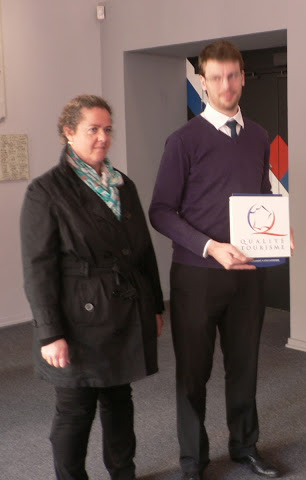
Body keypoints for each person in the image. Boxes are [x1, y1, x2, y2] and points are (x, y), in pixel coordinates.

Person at [149, 40, 282, 480]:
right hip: (197, 276)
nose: (226, 85)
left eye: (233, 76)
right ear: (203, 83)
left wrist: (278, 230)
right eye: (216, 78)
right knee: (193, 374)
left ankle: (245, 447)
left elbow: (260, 198)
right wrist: (210, 246)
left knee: (244, 367)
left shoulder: (260, 136)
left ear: (243, 77)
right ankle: (193, 461)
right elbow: (161, 211)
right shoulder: (183, 140)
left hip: (248, 274)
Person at [20, 94, 164, 480]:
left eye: (107, 129)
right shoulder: (45, 191)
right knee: (75, 410)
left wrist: (154, 307)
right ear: (69, 133)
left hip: (123, 309)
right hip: (76, 319)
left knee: (120, 400)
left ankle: (123, 473)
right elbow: (38, 269)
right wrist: (50, 334)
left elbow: (143, 251)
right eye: (93, 129)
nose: (102, 138)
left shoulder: (122, 184)